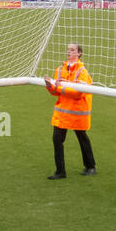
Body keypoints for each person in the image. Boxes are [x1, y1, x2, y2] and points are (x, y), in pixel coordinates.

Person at [43, 42, 95, 179]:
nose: (69, 52)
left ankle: (90, 166)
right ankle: (60, 171)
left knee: (82, 138)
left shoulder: (82, 72)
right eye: (68, 50)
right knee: (57, 139)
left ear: (79, 53)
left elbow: (78, 93)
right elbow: (56, 92)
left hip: (77, 112)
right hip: (63, 112)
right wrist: (50, 85)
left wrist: (59, 87)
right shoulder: (60, 69)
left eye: (72, 50)